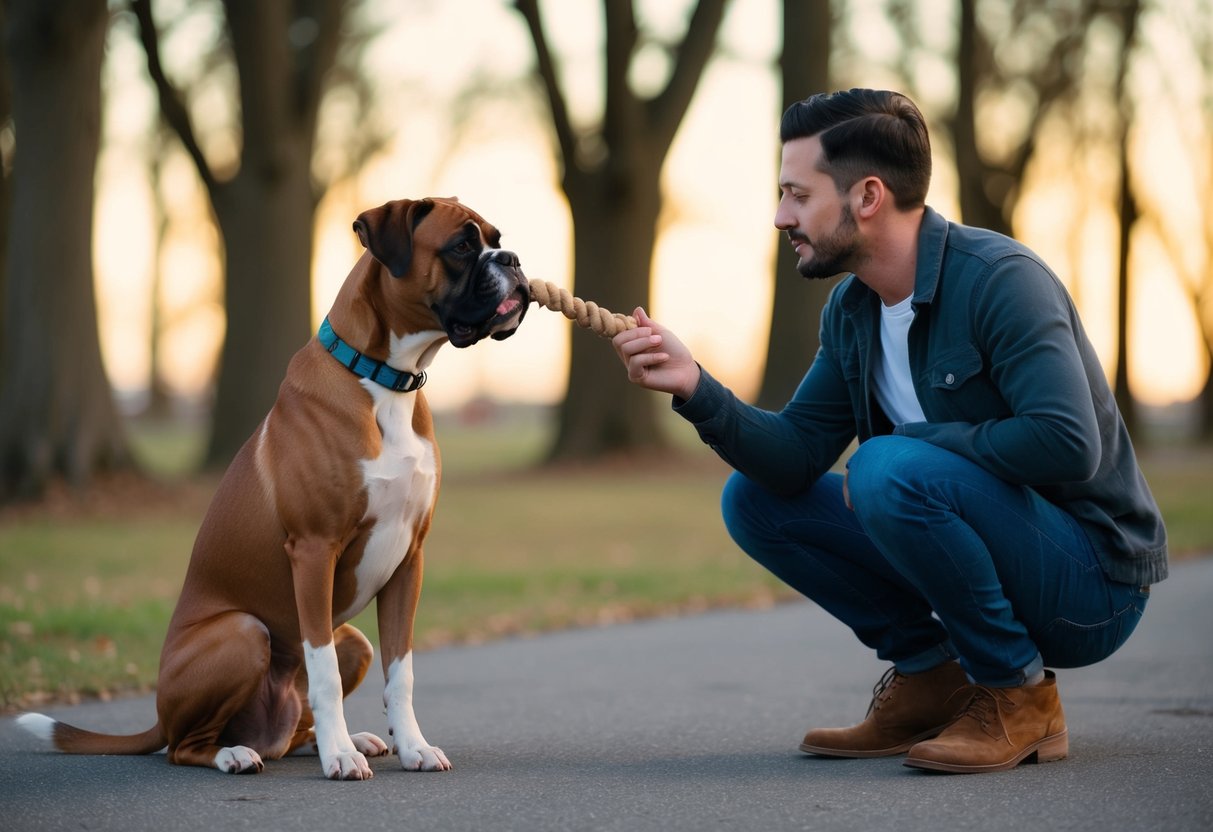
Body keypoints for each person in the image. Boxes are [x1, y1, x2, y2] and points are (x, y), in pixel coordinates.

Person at [612, 88, 1167, 774]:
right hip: (995, 543)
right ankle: (932, 677)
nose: (780, 216)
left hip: (1090, 586)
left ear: (866, 196)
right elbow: (791, 462)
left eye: (795, 193)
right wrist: (695, 386)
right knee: (752, 499)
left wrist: (906, 447)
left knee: (884, 467)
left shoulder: (1001, 282)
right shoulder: (852, 312)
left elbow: (1065, 443)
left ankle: (1017, 696)